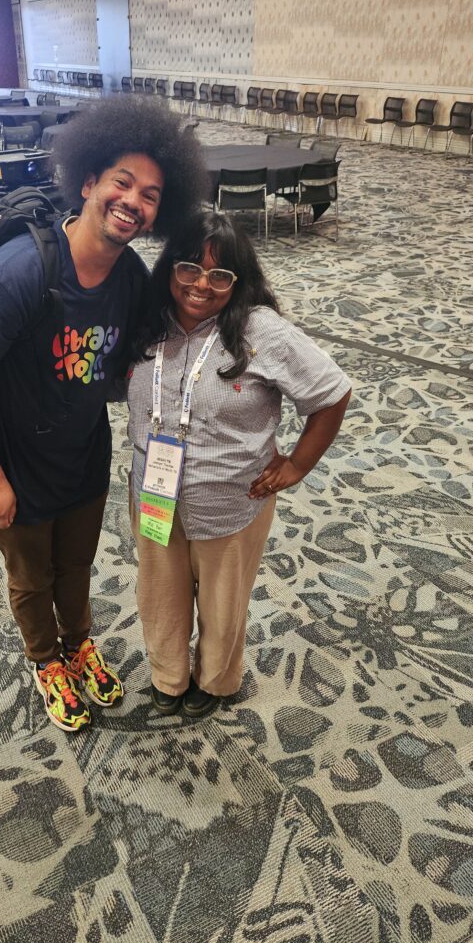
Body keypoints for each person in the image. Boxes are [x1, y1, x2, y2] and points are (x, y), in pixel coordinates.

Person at [0, 96, 207, 732]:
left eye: (150, 194)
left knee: (77, 563)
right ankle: (45, 660)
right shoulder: (19, 275)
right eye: (122, 182)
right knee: (32, 576)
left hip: (82, 451)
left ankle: (79, 642)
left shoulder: (130, 278)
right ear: (88, 182)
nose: (133, 202)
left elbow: (140, 355)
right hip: (13, 463)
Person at [127, 212, 352, 717]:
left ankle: (215, 681)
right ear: (170, 268)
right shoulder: (146, 318)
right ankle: (168, 677)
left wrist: (296, 465)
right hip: (155, 491)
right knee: (159, 595)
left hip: (230, 498)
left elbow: (332, 393)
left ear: (238, 281)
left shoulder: (260, 331)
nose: (201, 285)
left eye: (220, 275)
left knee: (222, 605)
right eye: (189, 268)